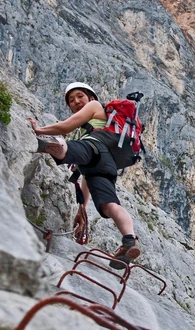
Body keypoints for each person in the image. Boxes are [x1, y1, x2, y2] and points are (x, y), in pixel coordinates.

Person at [29, 82, 141, 268]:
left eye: (80, 96)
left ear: (91, 97)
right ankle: (129, 240)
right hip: (106, 164)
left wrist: (38, 130)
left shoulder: (95, 106)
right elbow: (86, 175)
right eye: (71, 100)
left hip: (94, 146)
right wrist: (83, 207)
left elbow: (65, 127)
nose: (76, 101)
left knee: (68, 147)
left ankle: (52, 145)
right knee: (109, 206)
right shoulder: (102, 124)